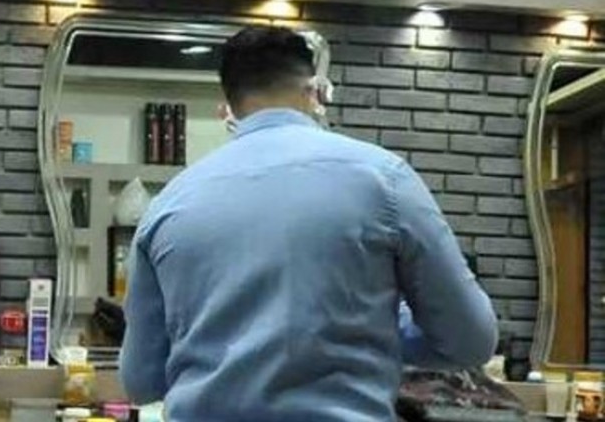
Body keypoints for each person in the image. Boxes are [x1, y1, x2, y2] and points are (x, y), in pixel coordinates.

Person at [119, 26, 498, 422]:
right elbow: (471, 340)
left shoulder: (168, 205)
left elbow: (141, 381)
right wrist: (374, 327)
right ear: (315, 90)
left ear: (229, 104)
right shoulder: (384, 180)